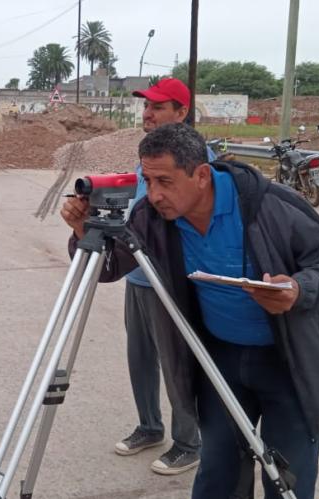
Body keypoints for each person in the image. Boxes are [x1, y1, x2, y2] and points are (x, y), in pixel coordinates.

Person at [61, 123, 319, 499]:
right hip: (219, 360)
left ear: (201, 175)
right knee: (218, 470)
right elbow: (108, 267)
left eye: (165, 181)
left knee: (287, 474)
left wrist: (298, 289)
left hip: (290, 361)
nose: (153, 194)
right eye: (148, 180)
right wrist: (81, 232)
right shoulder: (153, 216)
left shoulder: (271, 206)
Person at [110, 77, 215, 476]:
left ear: (181, 112)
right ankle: (149, 426)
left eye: (157, 107)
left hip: (169, 278)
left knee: (176, 363)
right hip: (136, 275)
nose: (148, 114)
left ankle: (189, 443)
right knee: (140, 357)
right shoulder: (147, 159)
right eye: (146, 106)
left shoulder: (192, 161)